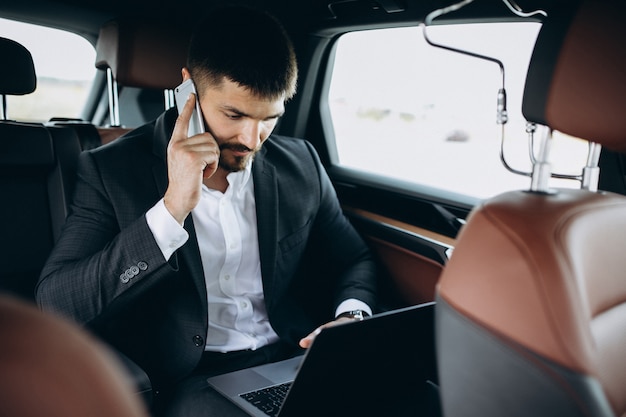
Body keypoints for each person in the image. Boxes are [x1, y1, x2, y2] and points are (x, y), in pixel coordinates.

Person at [36, 4, 377, 416]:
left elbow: (353, 257)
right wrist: (170, 209)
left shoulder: (301, 163)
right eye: (234, 114)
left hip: (293, 358)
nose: (252, 139)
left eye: (270, 117)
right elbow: (56, 305)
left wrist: (352, 319)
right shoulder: (113, 170)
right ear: (188, 89)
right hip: (192, 379)